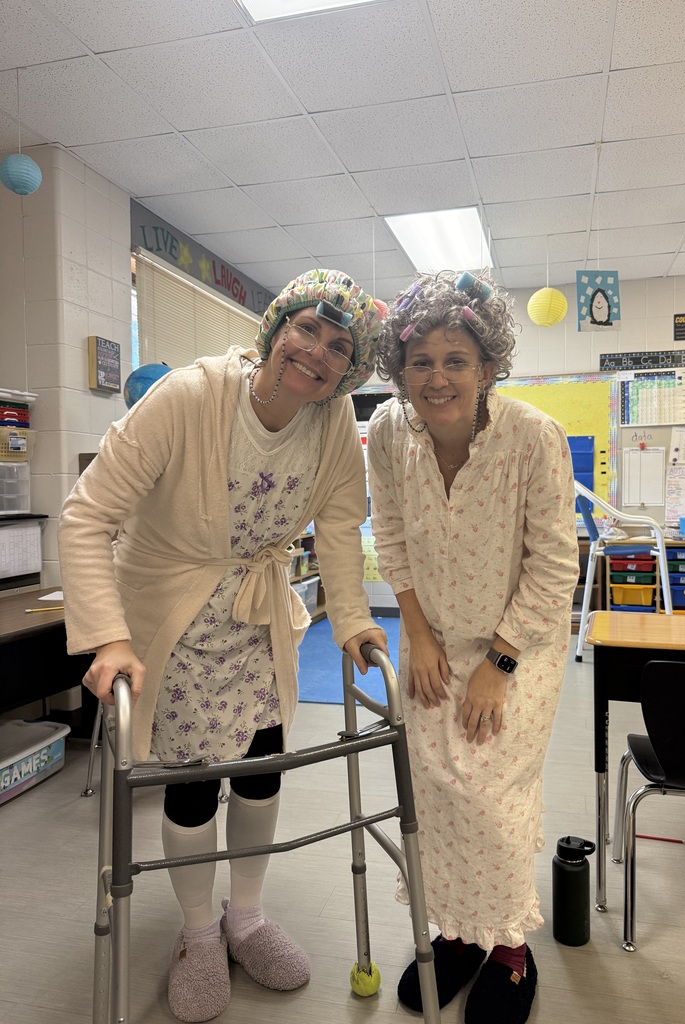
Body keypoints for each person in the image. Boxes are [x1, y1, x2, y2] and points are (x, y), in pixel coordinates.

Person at [58, 269, 389, 1024]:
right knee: (194, 781)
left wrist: (352, 621)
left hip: (258, 618)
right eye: (306, 328)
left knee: (262, 770)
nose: (316, 353)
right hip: (169, 619)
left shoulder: (332, 420)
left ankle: (246, 917)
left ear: (349, 371)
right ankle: (199, 932)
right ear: (275, 329)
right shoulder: (187, 395)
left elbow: (339, 527)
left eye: (339, 347)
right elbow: (86, 517)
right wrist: (108, 635)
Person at [366, 270, 579, 1024]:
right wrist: (414, 630)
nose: (437, 378)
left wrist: (499, 662)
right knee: (434, 791)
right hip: (433, 638)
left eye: (456, 360)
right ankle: (457, 932)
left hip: (519, 644)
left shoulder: (531, 436)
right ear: (399, 370)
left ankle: (511, 950)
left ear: (488, 367)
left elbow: (557, 564)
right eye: (420, 362)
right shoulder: (390, 433)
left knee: (486, 792)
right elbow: (388, 536)